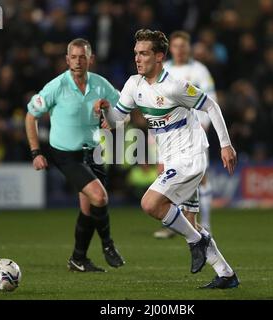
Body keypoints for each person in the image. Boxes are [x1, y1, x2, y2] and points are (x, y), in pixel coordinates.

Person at [95, 29, 239, 289]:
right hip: (172, 158)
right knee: (190, 222)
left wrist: (226, 145)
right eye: (136, 53)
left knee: (150, 203)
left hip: (191, 156)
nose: (138, 59)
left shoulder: (175, 86)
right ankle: (225, 273)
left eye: (144, 54)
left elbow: (211, 106)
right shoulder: (133, 85)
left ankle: (195, 242)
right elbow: (116, 120)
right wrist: (106, 111)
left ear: (159, 56)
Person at [25, 38, 125, 272]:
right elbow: (31, 116)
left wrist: (109, 112)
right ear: (67, 59)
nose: (78, 61)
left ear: (91, 59)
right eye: (74, 56)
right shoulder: (56, 86)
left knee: (88, 208)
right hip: (65, 154)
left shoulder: (101, 85)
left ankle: (78, 259)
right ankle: (108, 245)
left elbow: (122, 114)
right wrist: (35, 152)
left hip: (91, 153)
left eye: (83, 57)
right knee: (99, 197)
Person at [153, 30, 216, 239]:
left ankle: (203, 224)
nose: (179, 50)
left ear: (189, 48)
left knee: (200, 179)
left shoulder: (199, 71)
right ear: (170, 48)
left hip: (192, 133)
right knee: (166, 176)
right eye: (176, 46)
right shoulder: (165, 69)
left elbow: (210, 100)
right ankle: (175, 224)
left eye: (183, 46)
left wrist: (204, 126)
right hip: (167, 134)